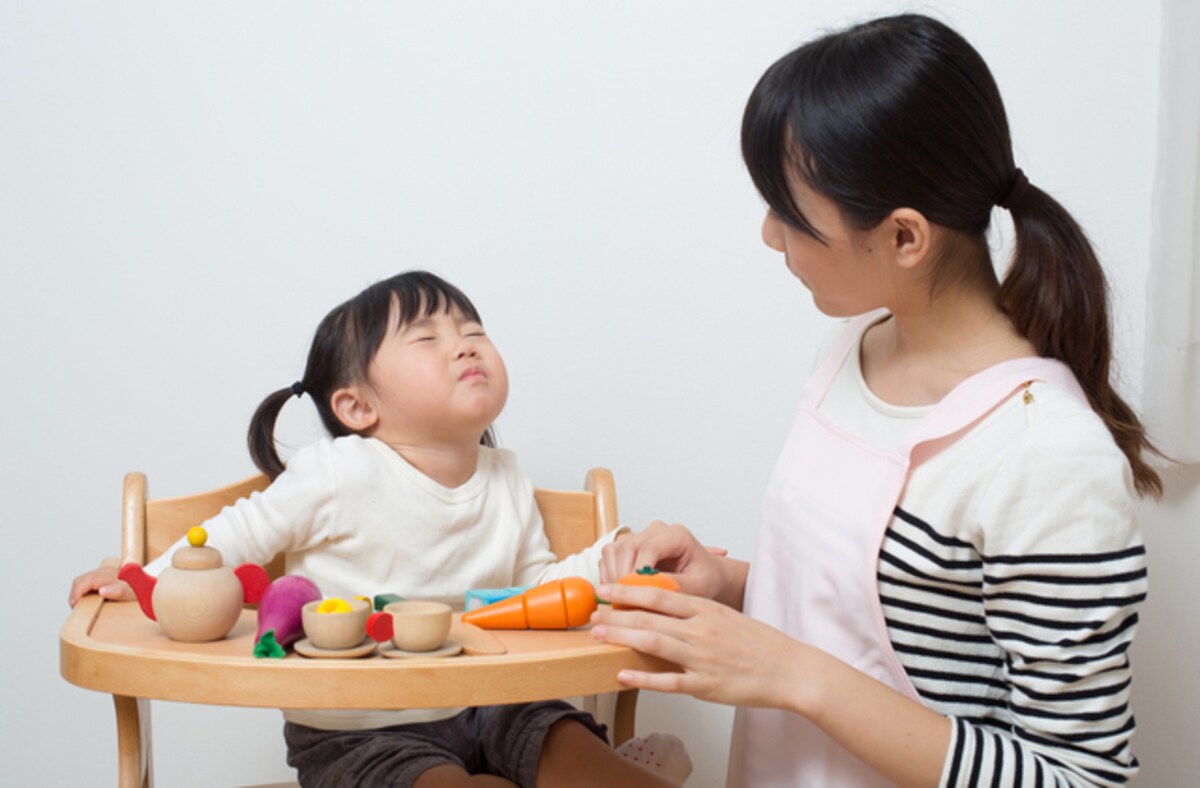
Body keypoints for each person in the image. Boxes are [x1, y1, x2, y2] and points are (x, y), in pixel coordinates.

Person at [593, 13, 1157, 788]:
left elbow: (1079, 776)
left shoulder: (1045, 455)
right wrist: (730, 587)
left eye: (790, 216)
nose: (768, 235)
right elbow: (893, 623)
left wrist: (792, 672)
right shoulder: (851, 355)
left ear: (903, 238)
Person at [70, 270, 691, 788]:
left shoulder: (506, 478)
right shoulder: (338, 472)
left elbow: (538, 595)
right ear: (357, 407)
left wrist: (617, 556)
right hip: (361, 727)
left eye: (473, 332)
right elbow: (231, 540)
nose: (465, 345)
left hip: (501, 701)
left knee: (573, 752)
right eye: (428, 338)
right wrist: (142, 578)